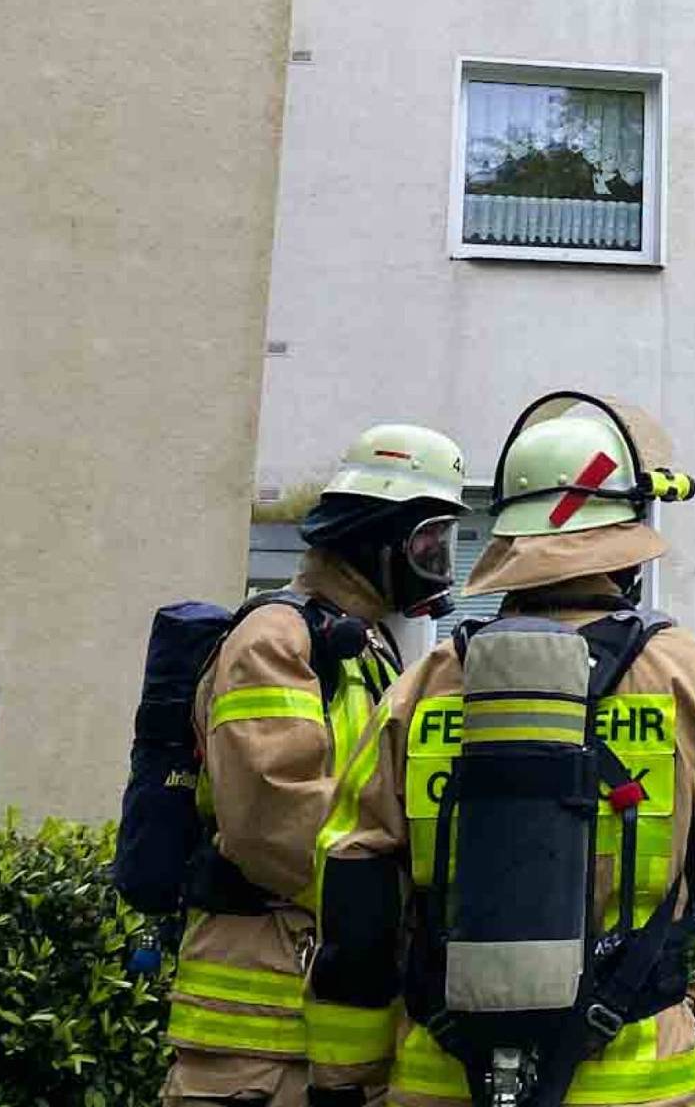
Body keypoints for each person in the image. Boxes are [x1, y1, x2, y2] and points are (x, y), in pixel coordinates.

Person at [324, 392, 695, 1107]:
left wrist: (344, 1079)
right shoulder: (691, 675)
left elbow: (355, 889)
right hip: (634, 1078)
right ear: (625, 553)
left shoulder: (420, 688)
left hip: (441, 1075)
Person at [164, 425, 472, 1107]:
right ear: (374, 533)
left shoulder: (363, 645)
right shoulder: (274, 639)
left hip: (322, 1015)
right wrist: (408, 888)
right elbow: (274, 820)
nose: (438, 562)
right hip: (258, 1026)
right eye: (428, 542)